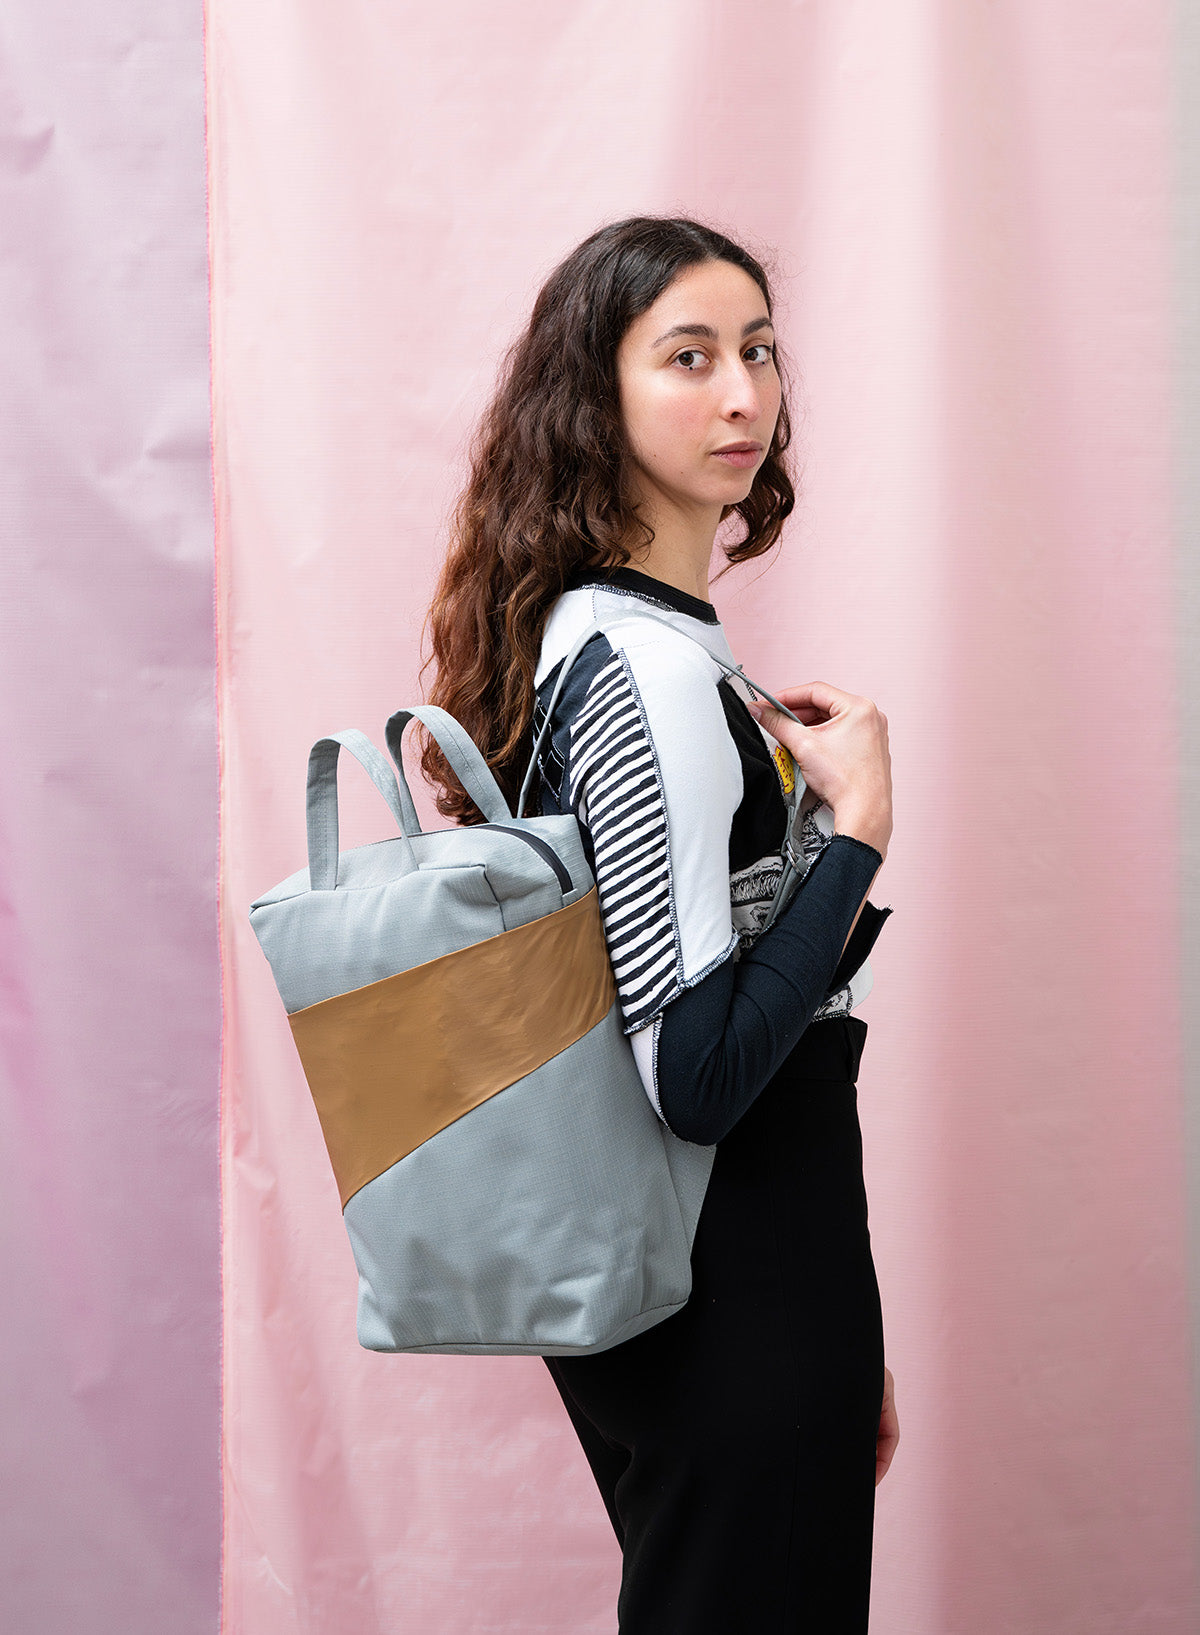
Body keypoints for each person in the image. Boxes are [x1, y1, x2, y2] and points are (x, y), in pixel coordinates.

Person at [421, 216, 899, 1633]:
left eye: (759, 350)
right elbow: (694, 1074)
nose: (744, 394)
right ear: (598, 396)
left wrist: (843, 1320)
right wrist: (858, 833)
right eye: (689, 357)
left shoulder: (623, 638)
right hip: (727, 1283)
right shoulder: (643, 669)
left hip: (727, 1286)